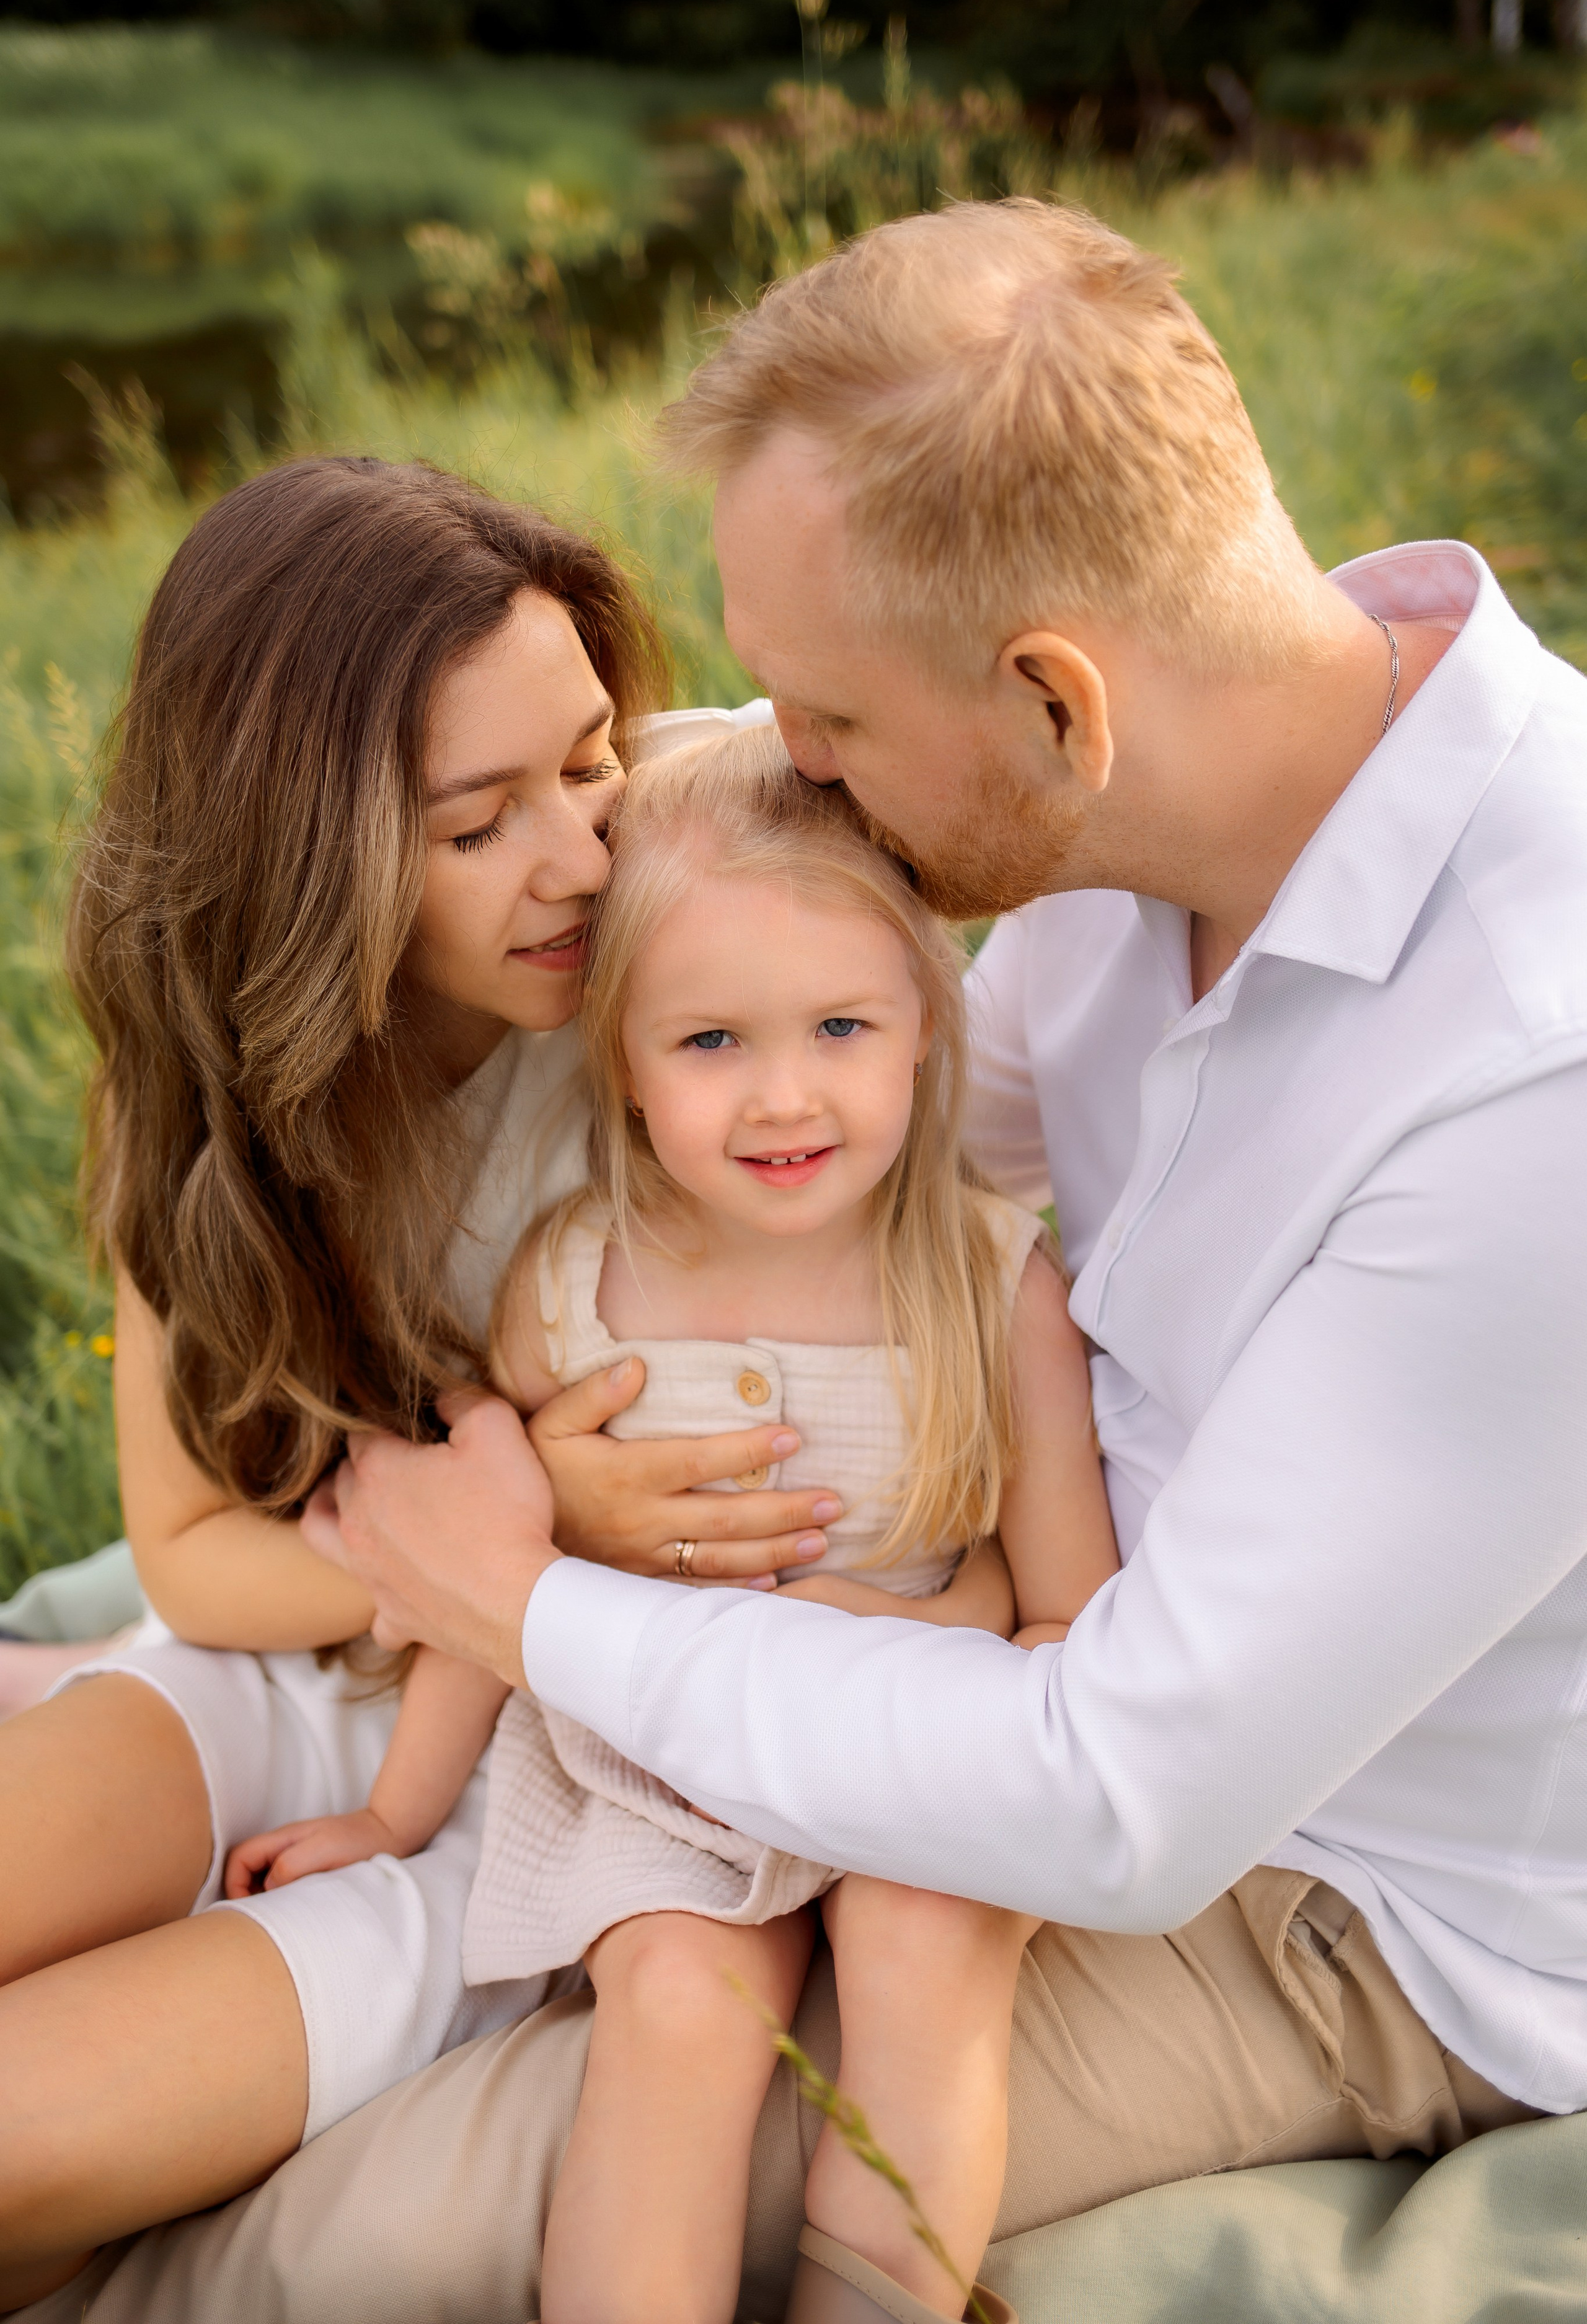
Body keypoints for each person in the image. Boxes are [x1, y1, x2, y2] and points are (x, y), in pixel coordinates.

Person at [13, 195, 1586, 2321]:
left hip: (1328, 1885)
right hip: (887, 1668)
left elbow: (1117, 1789)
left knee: (357, 2231)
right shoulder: (1129, 840)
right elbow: (791, 1077)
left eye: (821, 721)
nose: (768, 772)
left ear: (1053, 700)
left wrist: (538, 1596)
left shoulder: (1529, 1076)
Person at [0, 459, 839, 2316]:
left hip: (540, 1780)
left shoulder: (709, 870)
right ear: (313, 856)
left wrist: (547, 1574)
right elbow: (195, 1547)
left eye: (589, 755)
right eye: (478, 823)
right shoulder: (211, 1070)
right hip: (284, 1664)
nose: (581, 855)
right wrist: (506, 1523)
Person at [222, 723, 1116, 2324]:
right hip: (669, 1777)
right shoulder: (573, 1287)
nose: (786, 1094)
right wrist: (392, 1812)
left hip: (916, 1743)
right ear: (620, 1056)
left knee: (926, 1948)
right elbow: (496, 1592)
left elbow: (1073, 1621)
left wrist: (941, 1656)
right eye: (709, 1040)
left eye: (841, 1024)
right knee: (680, 1999)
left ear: (925, 1018)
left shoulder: (992, 1285)